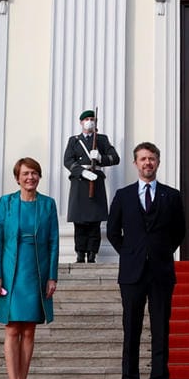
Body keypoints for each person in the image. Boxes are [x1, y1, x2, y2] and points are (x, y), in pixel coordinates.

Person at [105, 142, 185, 379]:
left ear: (158, 162)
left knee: (161, 331)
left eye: (151, 159)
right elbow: (113, 231)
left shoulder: (171, 196)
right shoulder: (124, 195)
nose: (147, 163)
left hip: (161, 272)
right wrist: (131, 253)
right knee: (132, 332)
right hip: (132, 274)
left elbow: (179, 232)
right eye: (142, 159)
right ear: (135, 163)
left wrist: (160, 252)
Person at [0, 156, 60, 379]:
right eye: (26, 173)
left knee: (29, 330)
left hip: (36, 271)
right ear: (17, 177)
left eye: (35, 173)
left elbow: (53, 242)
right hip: (11, 271)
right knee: (11, 329)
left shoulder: (48, 205)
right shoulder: (6, 203)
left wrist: (53, 276)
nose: (31, 177)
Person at [62, 109, 120, 263]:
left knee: (95, 222)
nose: (89, 121)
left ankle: (92, 254)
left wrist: (101, 158)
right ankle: (80, 254)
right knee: (79, 222)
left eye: (92, 119)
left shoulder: (101, 139)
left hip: (96, 182)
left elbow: (115, 158)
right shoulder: (74, 140)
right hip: (80, 183)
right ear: (81, 122)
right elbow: (67, 160)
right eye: (86, 119)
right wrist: (81, 172)